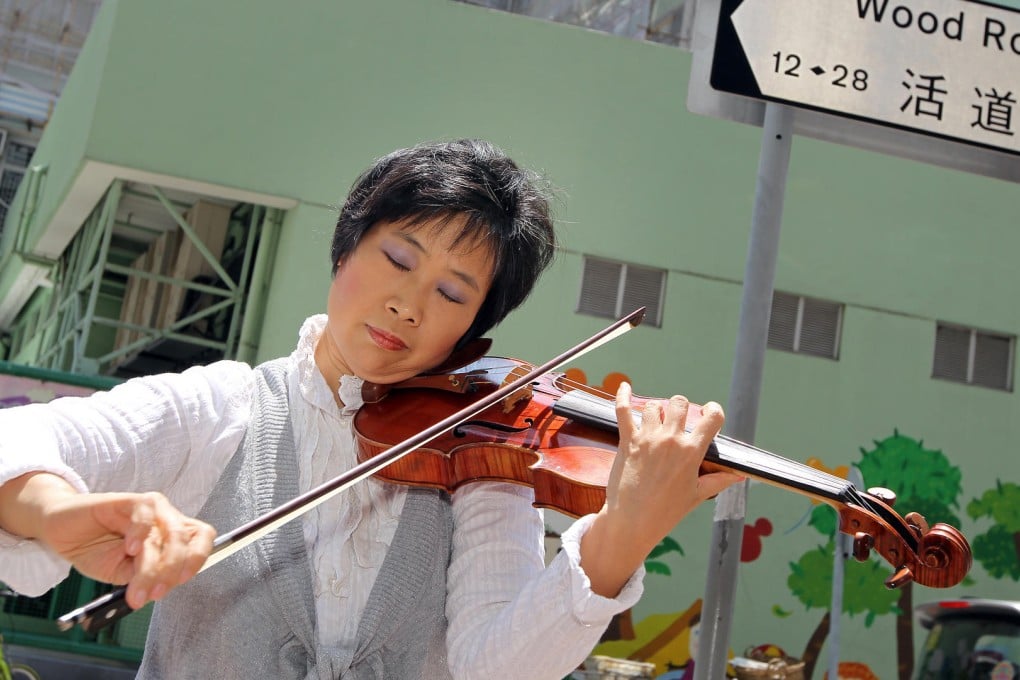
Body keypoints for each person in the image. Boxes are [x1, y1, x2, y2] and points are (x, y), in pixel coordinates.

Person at [0, 138, 742, 679]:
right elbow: (23, 439)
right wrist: (54, 511)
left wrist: (625, 531)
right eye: (398, 259)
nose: (409, 304)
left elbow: (501, 667)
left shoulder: (485, 462)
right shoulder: (224, 407)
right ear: (346, 247)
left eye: (452, 294)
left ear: (474, 328)